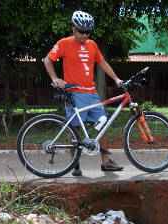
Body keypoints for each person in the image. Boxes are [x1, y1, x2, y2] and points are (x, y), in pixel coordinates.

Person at [43, 10, 124, 176]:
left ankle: (106, 162)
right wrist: (55, 78)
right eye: (81, 31)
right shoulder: (64, 43)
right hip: (74, 93)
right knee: (74, 130)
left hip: (92, 94)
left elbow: (102, 63)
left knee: (103, 126)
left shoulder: (92, 45)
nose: (84, 35)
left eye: (88, 32)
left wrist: (116, 79)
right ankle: (75, 164)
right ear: (73, 28)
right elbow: (47, 60)